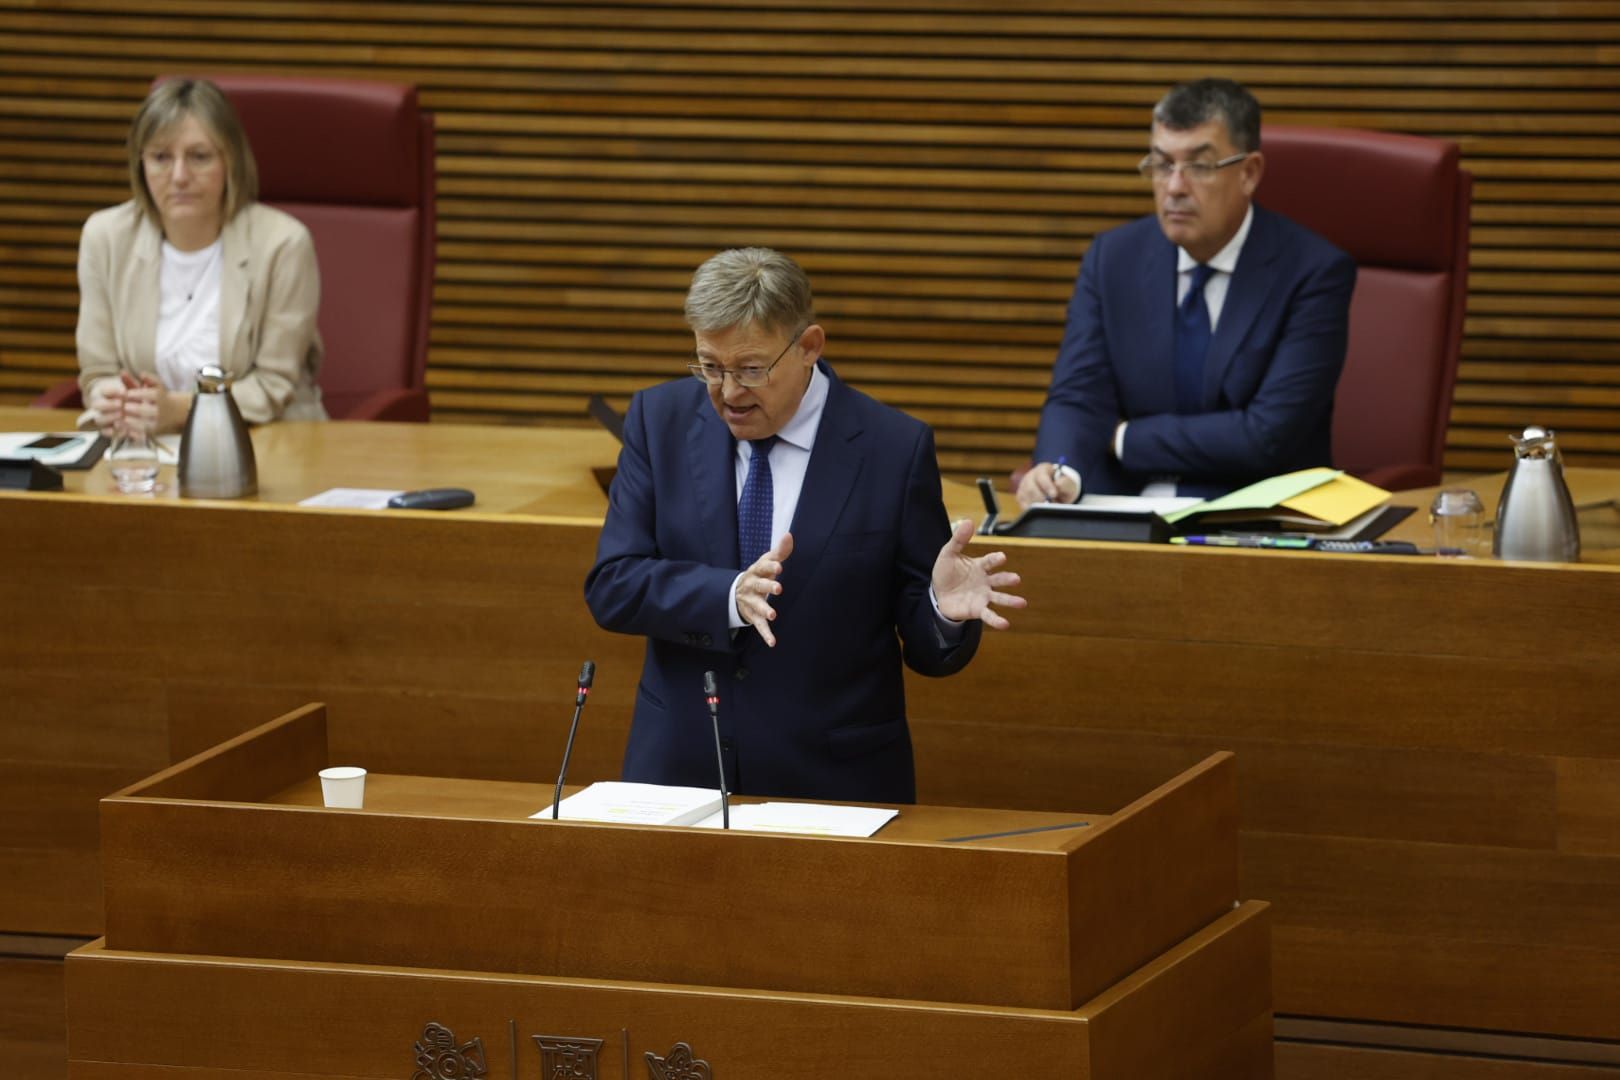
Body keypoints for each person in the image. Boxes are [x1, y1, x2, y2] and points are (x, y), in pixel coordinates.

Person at [585, 248, 1024, 804]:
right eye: (709, 366)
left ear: (809, 346)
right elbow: (613, 584)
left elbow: (929, 650)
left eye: (750, 369)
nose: (728, 392)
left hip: (834, 782)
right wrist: (727, 594)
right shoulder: (658, 420)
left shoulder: (892, 448)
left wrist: (938, 607)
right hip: (680, 767)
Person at [1019, 78, 1356, 505]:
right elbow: (1077, 394)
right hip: (1123, 508)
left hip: (1253, 518)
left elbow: (1266, 434)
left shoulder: (1313, 272)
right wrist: (1059, 470)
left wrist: (1122, 438)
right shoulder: (1113, 258)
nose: (1175, 187)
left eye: (1198, 166)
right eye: (1161, 164)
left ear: (1249, 173)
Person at [75, 77, 325, 436]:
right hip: (142, 447)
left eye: (199, 157)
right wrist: (120, 401)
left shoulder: (283, 244)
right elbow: (98, 374)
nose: (179, 176)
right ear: (140, 164)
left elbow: (273, 387)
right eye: (161, 157)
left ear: (231, 163)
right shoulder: (106, 238)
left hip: (263, 440)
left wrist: (177, 409)